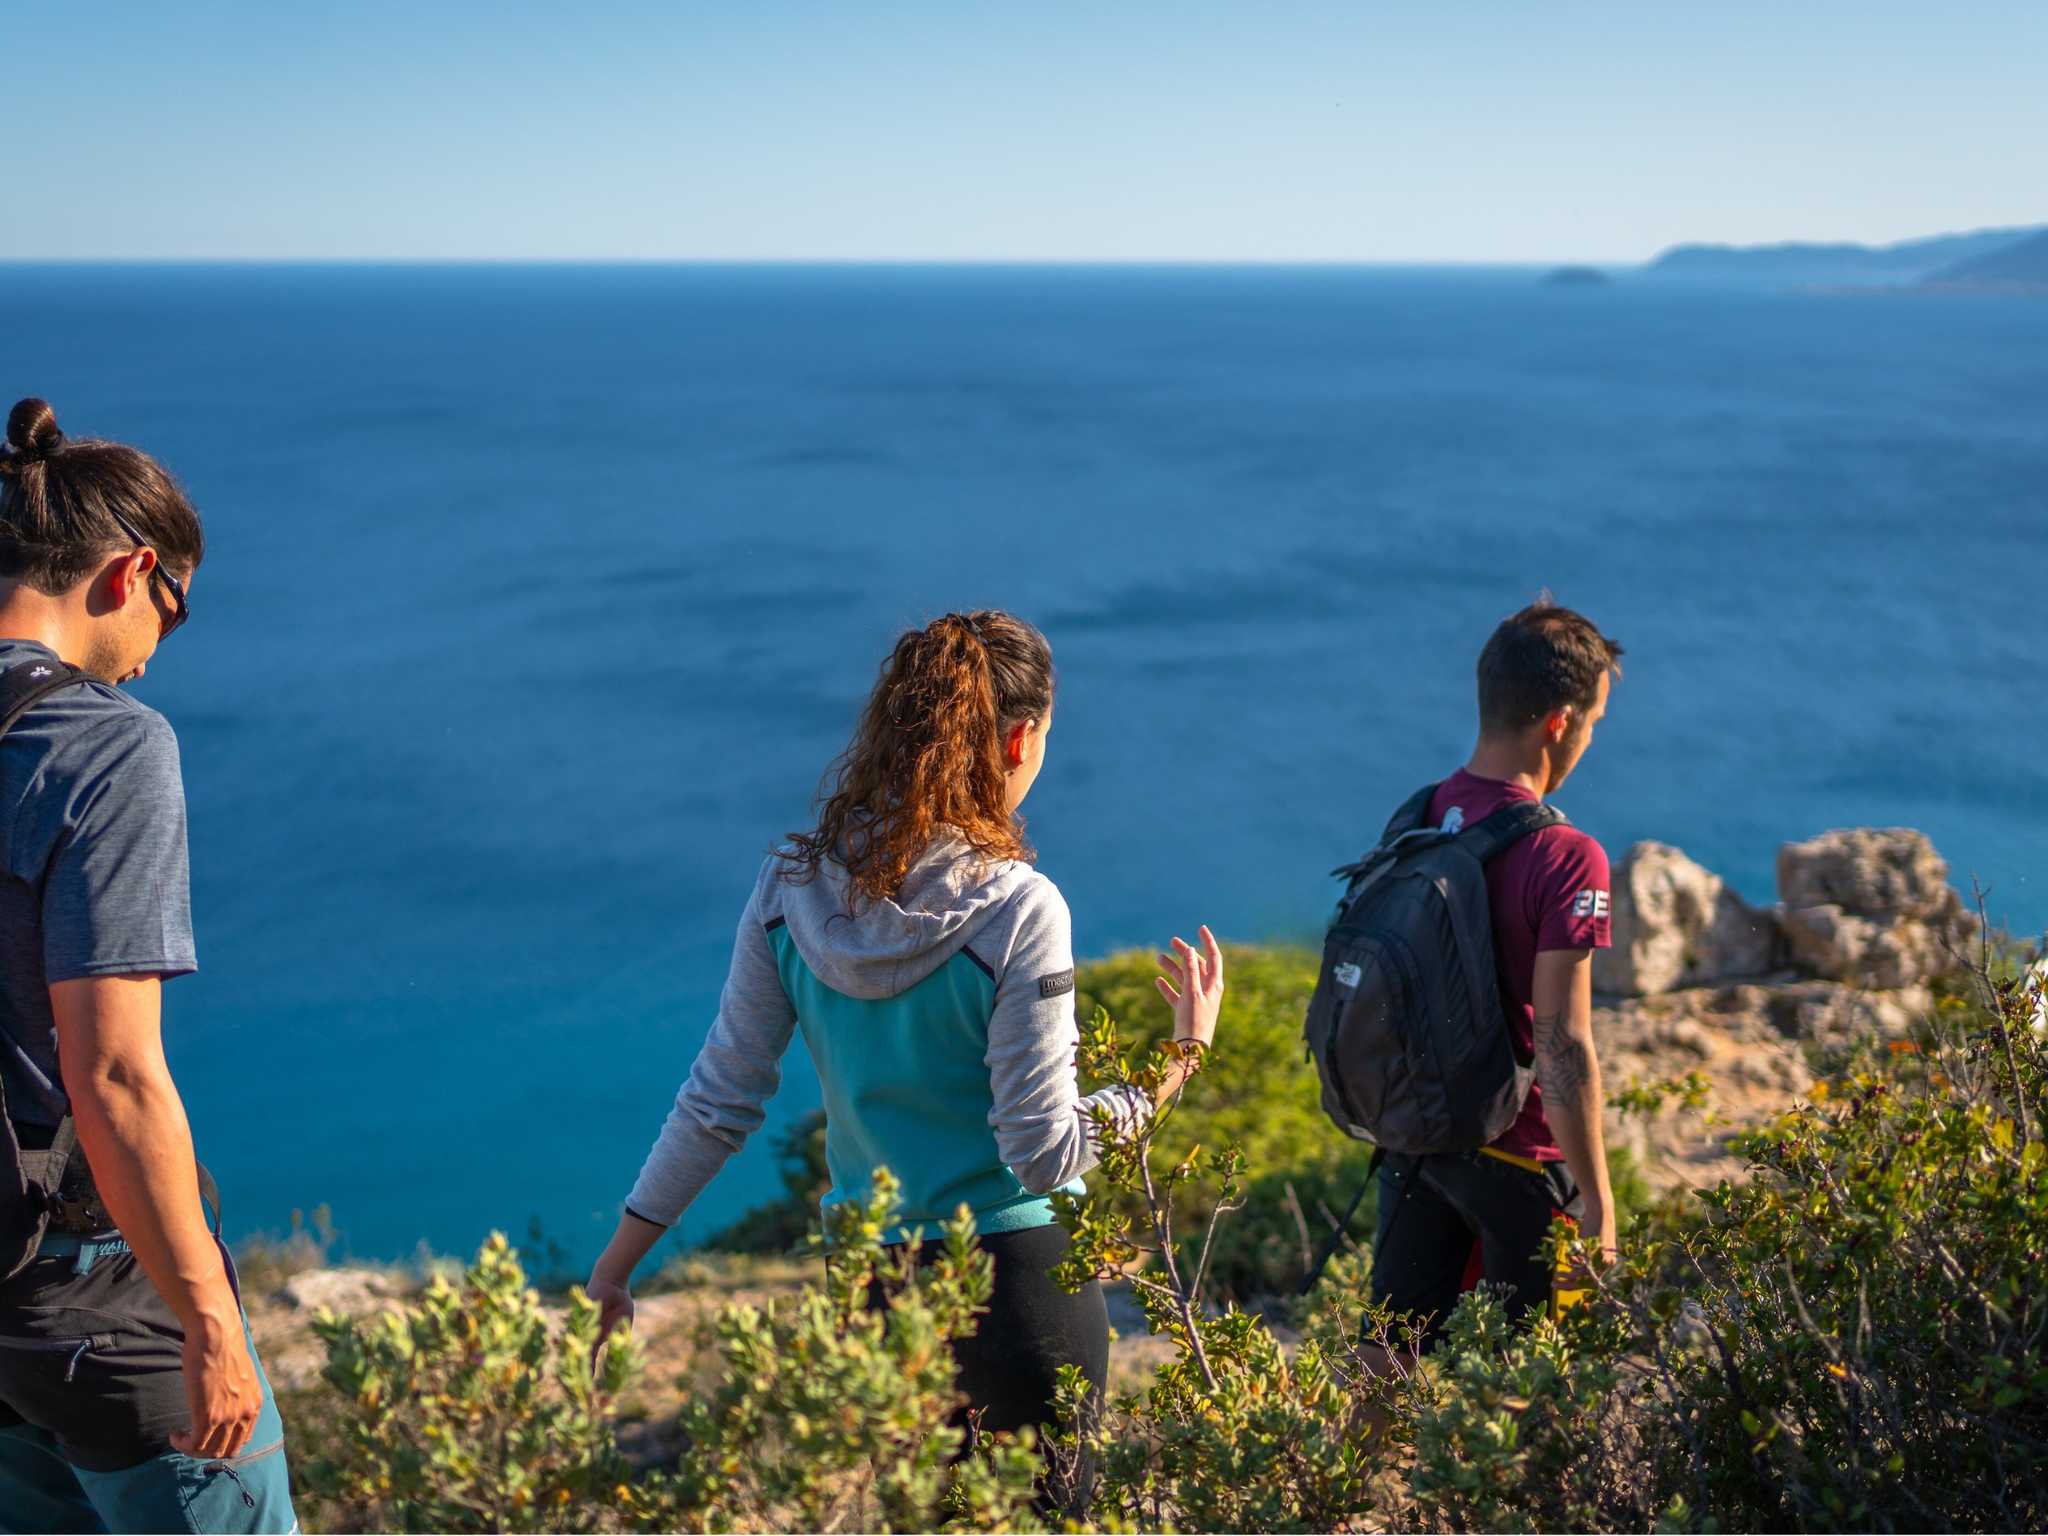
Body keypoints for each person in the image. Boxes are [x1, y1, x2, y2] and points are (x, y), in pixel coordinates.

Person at [587, 609, 1224, 1511]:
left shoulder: (789, 890)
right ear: (1019, 738)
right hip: (1020, 1286)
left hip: (876, 1292)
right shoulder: (1019, 910)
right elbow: (1041, 1152)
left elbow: (718, 1100)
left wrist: (618, 1266)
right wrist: (1177, 1064)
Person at [0, 398, 296, 1534]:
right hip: (98, 1298)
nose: (163, 644)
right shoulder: (102, 745)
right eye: (179, 605)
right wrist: (208, 1320)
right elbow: (113, 1076)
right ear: (130, 574)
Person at [1363, 598, 1623, 1360]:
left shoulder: (1420, 815)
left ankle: (1345, 1484)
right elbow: (1563, 1040)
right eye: (1595, 722)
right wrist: (1600, 1203)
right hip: (1522, 1159)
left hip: (1419, 1134)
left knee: (1389, 1354)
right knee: (1535, 1380)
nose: (1589, 740)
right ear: (1560, 721)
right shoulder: (1568, 855)